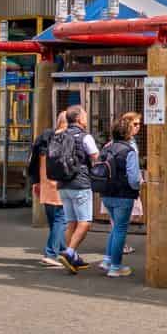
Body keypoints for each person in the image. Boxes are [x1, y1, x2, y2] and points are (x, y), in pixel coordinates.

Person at [51, 104, 103, 274]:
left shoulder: (60, 135)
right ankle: (69, 252)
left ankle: (72, 257)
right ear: (79, 119)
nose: (87, 118)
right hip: (80, 184)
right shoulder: (85, 137)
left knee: (71, 222)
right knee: (85, 222)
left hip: (63, 184)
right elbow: (97, 158)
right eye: (85, 116)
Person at [97, 114, 143, 278]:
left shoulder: (107, 147)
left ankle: (108, 260)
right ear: (127, 132)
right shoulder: (129, 151)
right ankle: (116, 266)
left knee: (115, 227)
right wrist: (139, 186)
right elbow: (133, 178)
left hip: (106, 192)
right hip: (123, 194)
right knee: (120, 229)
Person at [28, 110, 70, 267]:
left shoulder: (43, 137)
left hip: (45, 183)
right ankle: (51, 253)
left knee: (54, 219)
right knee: (61, 218)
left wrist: (35, 181)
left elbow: (33, 161)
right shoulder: (66, 138)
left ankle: (62, 250)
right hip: (59, 184)